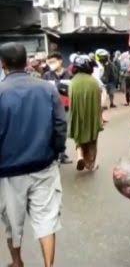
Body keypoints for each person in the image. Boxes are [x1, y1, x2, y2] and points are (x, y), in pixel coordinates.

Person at [0, 42, 66, 267]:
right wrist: (56, 151)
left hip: (8, 172)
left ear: (3, 64)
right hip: (43, 166)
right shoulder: (47, 88)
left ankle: (17, 262)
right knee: (46, 220)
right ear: (27, 62)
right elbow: (60, 125)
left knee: (12, 221)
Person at [69, 55, 103, 171]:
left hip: (77, 115)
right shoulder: (94, 82)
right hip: (91, 116)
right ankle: (90, 164)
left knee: (78, 136)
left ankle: (79, 156)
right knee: (92, 139)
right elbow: (100, 102)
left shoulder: (73, 82)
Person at [42, 52, 73, 165]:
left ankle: (62, 154)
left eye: (53, 62)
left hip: (66, 107)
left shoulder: (69, 74)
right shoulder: (46, 75)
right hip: (50, 107)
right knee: (50, 130)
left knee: (62, 130)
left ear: (60, 61)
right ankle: (52, 154)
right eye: (49, 62)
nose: (51, 64)